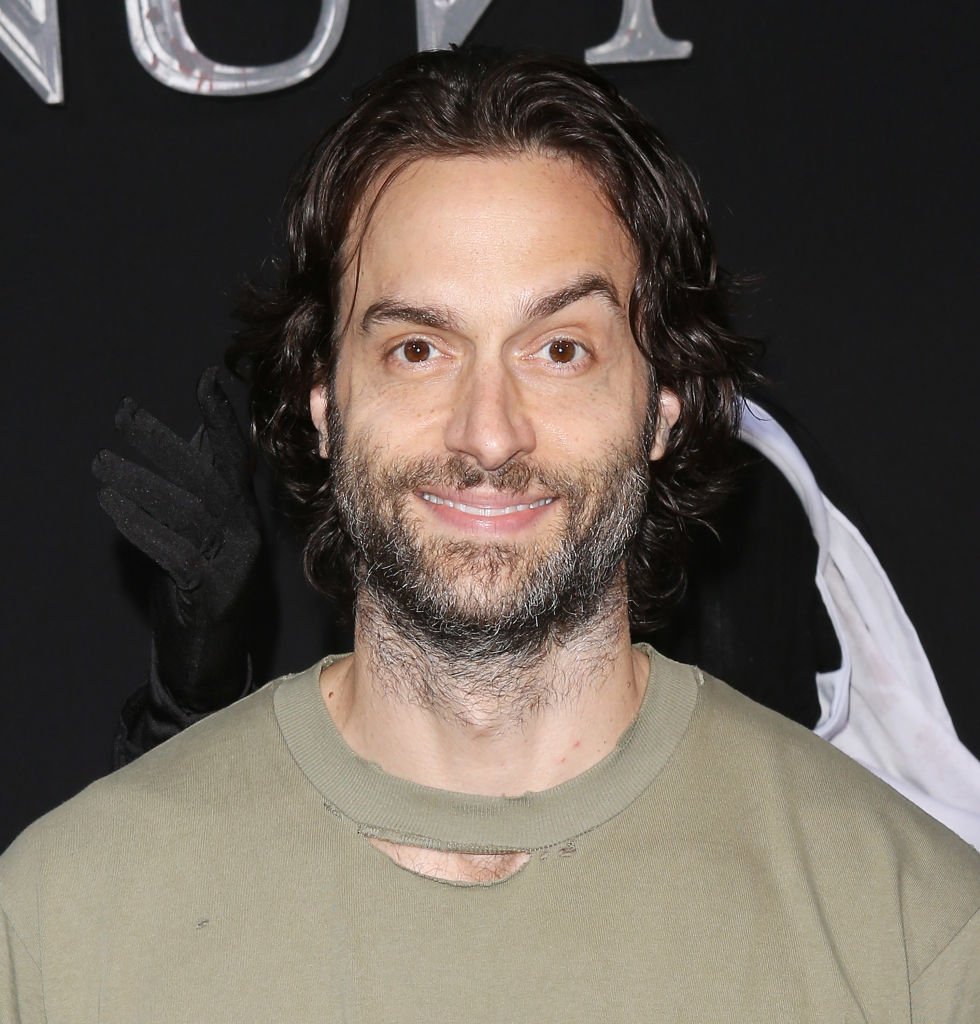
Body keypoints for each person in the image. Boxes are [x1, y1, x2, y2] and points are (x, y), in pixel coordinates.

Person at [2, 47, 978, 1021]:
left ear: (661, 407)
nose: (488, 432)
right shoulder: (60, 926)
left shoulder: (913, 932)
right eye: (418, 349)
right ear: (325, 403)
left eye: (559, 349)